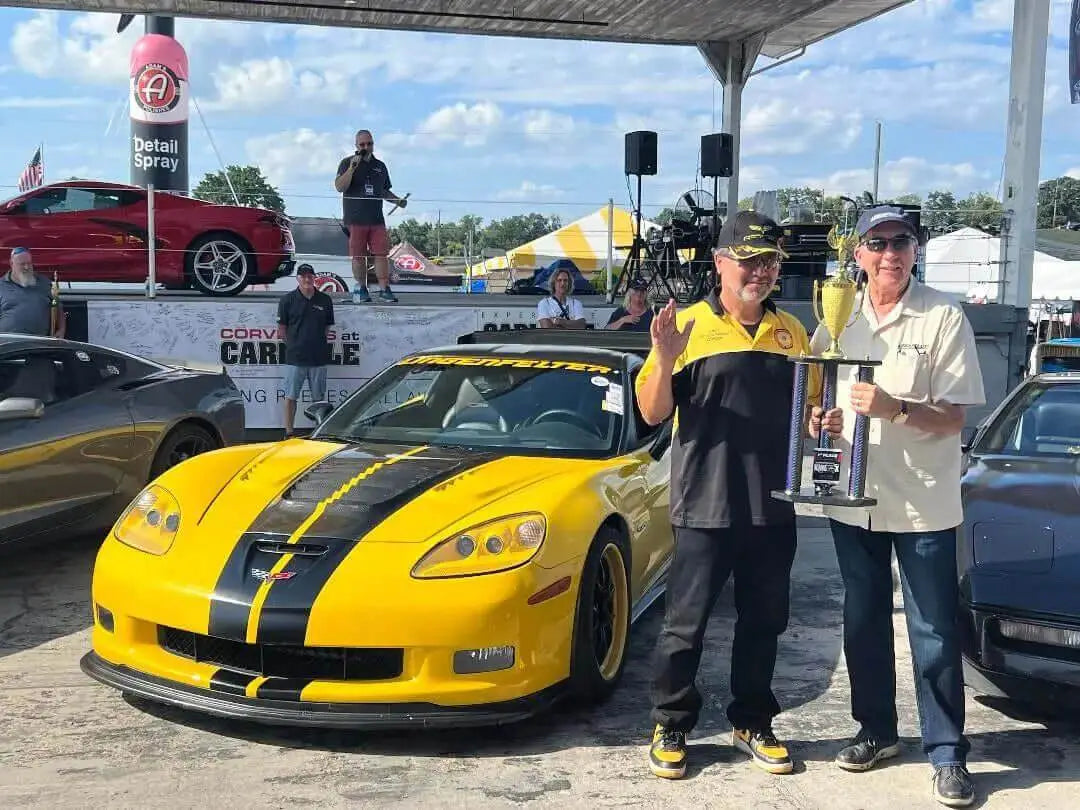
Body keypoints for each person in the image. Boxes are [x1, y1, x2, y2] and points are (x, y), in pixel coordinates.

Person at [636, 211, 826, 780]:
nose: (760, 272)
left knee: (764, 622)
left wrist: (825, 421)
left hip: (774, 504)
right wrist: (666, 356)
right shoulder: (687, 326)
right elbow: (651, 412)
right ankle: (671, 723)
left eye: (769, 262)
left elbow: (809, 416)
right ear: (720, 263)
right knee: (684, 626)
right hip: (704, 505)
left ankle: (753, 721)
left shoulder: (793, 333)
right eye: (748, 260)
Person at [806, 206, 985, 807]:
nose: (888, 254)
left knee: (932, 629)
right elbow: (819, 401)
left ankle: (947, 752)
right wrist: (822, 420)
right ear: (857, 254)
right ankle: (877, 731)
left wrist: (895, 408)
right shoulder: (836, 316)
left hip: (921, 504)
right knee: (862, 621)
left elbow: (956, 415)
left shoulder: (942, 316)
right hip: (852, 499)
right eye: (876, 243)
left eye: (900, 242)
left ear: (916, 250)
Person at [334, 129, 408, 304]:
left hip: (376, 219)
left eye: (369, 144)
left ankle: (384, 289)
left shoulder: (380, 166)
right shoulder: (346, 163)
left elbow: (383, 190)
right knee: (358, 256)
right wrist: (352, 168)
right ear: (356, 146)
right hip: (355, 219)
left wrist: (398, 201)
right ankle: (361, 288)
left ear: (373, 144)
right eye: (362, 144)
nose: (366, 147)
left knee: (381, 253)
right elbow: (339, 186)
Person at [277, 264, 335, 438]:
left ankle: (319, 432)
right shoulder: (287, 300)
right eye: (303, 276)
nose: (307, 279)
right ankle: (288, 432)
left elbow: (327, 327)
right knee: (290, 397)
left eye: (310, 276)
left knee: (319, 399)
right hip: (295, 358)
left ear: (314, 278)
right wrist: (295, 345)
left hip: (318, 358)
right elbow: (282, 329)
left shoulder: (325, 300)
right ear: (298, 279)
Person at [0, 247, 64, 337]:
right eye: (22, 264)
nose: (27, 267)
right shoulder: (1, 286)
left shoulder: (44, 283)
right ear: (11, 263)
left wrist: (61, 330)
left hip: (38, 345)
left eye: (29, 263)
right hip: (10, 346)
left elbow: (58, 309)